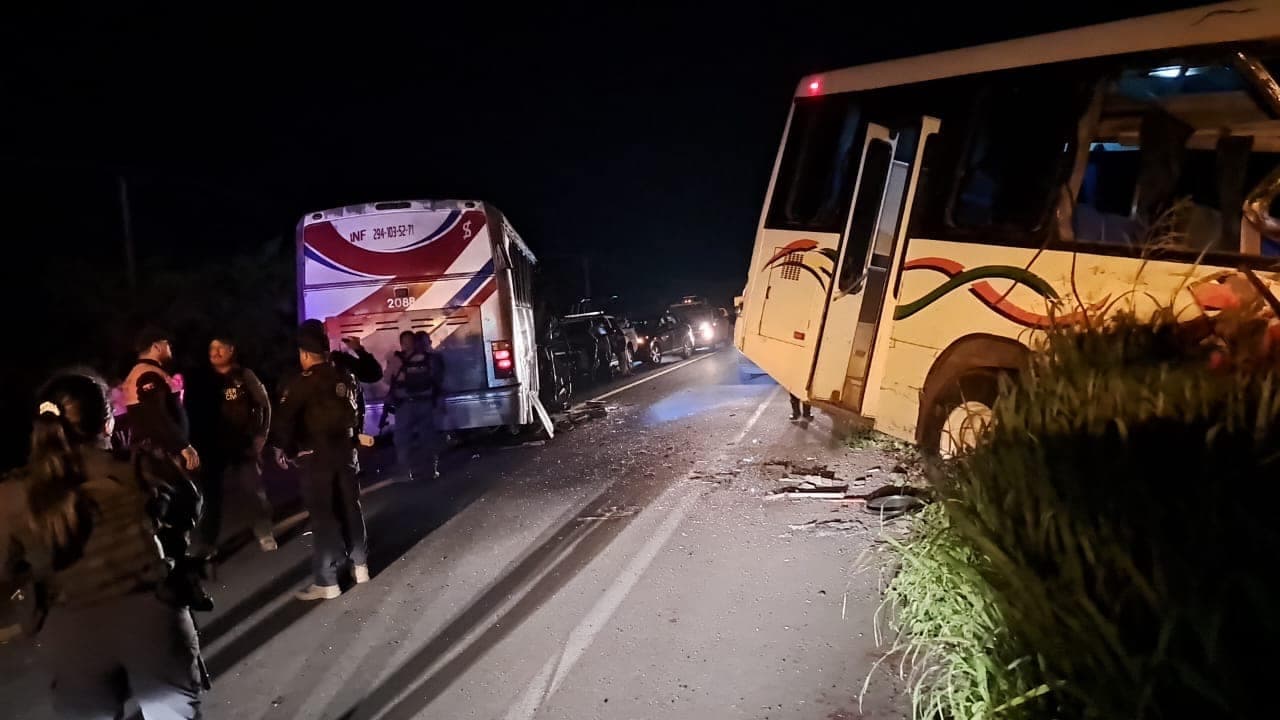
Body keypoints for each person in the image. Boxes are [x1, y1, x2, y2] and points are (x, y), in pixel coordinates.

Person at [0, 371, 206, 718]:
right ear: (107, 424)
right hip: (151, 620)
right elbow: (190, 505)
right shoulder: (139, 466)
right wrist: (166, 539)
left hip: (71, 634)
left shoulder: (15, 493)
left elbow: (6, 566)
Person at [272, 320, 373, 601]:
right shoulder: (344, 371)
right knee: (351, 507)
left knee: (324, 514)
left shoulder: (302, 382)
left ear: (304, 354)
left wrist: (281, 449)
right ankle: (360, 566)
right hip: (347, 450)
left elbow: (285, 420)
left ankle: (328, 581)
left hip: (317, 456)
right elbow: (368, 383)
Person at [122, 326, 213, 611]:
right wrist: (183, 445)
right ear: (157, 345)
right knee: (185, 506)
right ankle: (179, 578)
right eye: (167, 344)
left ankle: (179, 576)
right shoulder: (148, 375)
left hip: (158, 454)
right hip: (161, 455)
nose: (170, 349)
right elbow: (157, 416)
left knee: (177, 511)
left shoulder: (147, 373)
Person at [190, 334, 277, 553]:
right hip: (212, 447)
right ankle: (207, 544)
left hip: (243, 445)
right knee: (210, 498)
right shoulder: (203, 379)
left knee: (252, 490)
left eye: (220, 348)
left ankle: (264, 532)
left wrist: (261, 436)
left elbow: (264, 405)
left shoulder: (244, 375)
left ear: (231, 350)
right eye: (212, 348)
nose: (215, 352)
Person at [386, 331, 444, 481]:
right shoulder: (428, 358)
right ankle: (432, 470)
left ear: (402, 343)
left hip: (405, 405)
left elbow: (387, 380)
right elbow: (436, 378)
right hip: (425, 402)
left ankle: (405, 473)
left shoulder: (396, 360)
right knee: (428, 437)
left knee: (403, 440)